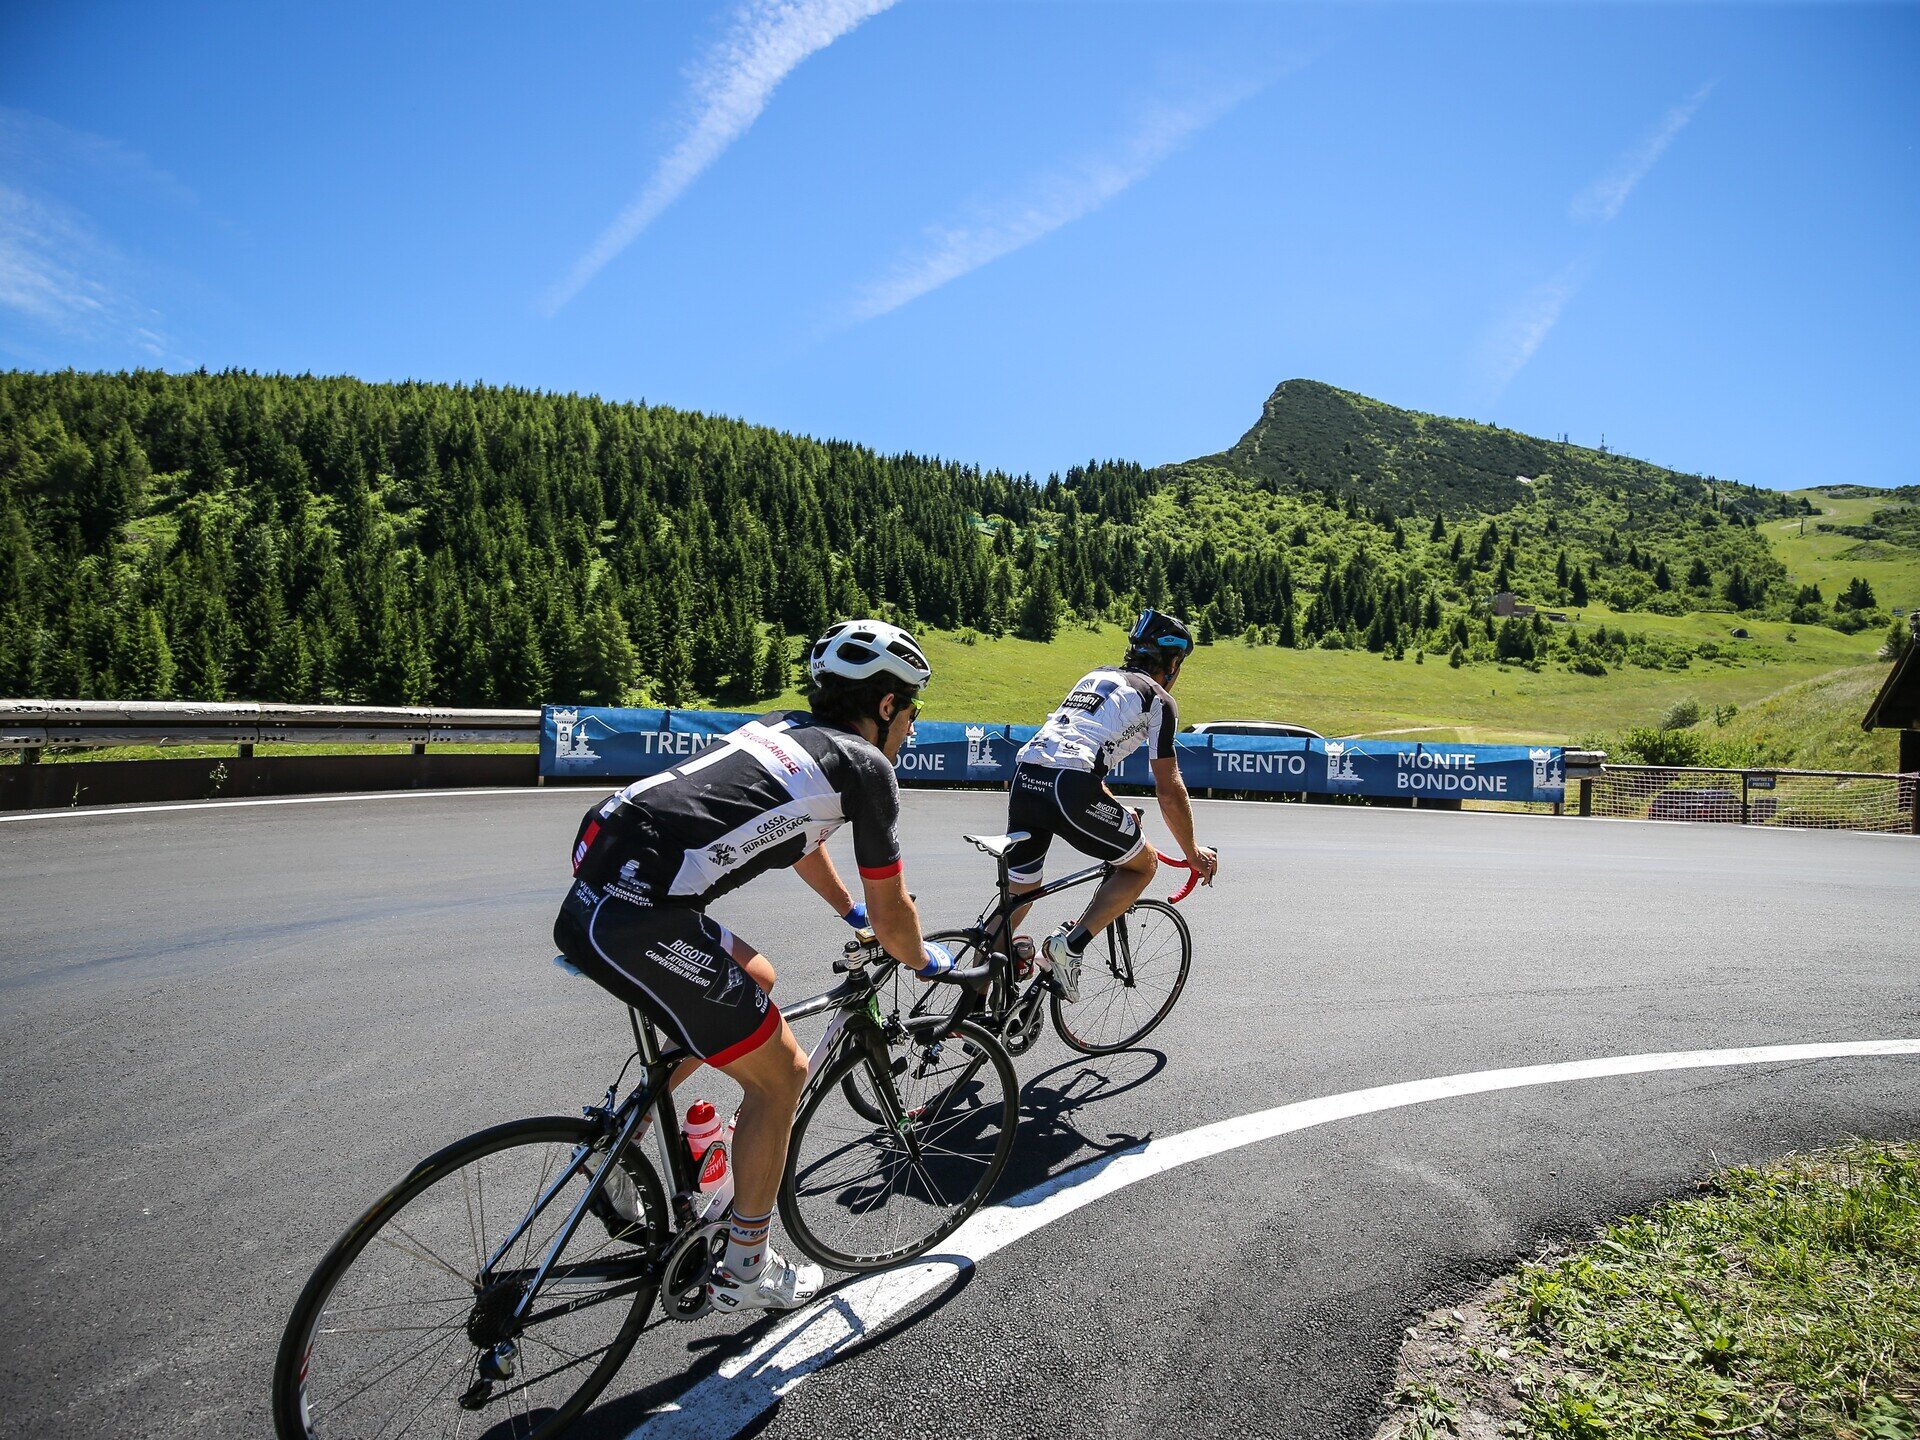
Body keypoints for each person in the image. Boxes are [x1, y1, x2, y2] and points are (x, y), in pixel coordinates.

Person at [554, 619, 952, 1314]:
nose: (913, 728)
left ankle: (622, 1140)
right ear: (886, 706)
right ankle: (744, 1267)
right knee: (783, 1076)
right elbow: (899, 923)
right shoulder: (868, 767)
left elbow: (803, 840)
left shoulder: (785, 728)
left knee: (756, 981)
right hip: (638, 907)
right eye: (911, 709)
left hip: (603, 868)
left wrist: (848, 911)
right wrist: (927, 962)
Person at [1004, 609, 1218, 1001]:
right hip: (1069, 786)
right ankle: (1068, 947)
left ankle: (972, 996)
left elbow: (1077, 752)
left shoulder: (1097, 675)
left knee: (1021, 891)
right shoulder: (1159, 699)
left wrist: (1112, 808)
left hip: (1025, 777)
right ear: (1172, 662)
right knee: (1142, 865)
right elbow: (1169, 789)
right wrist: (1192, 852)